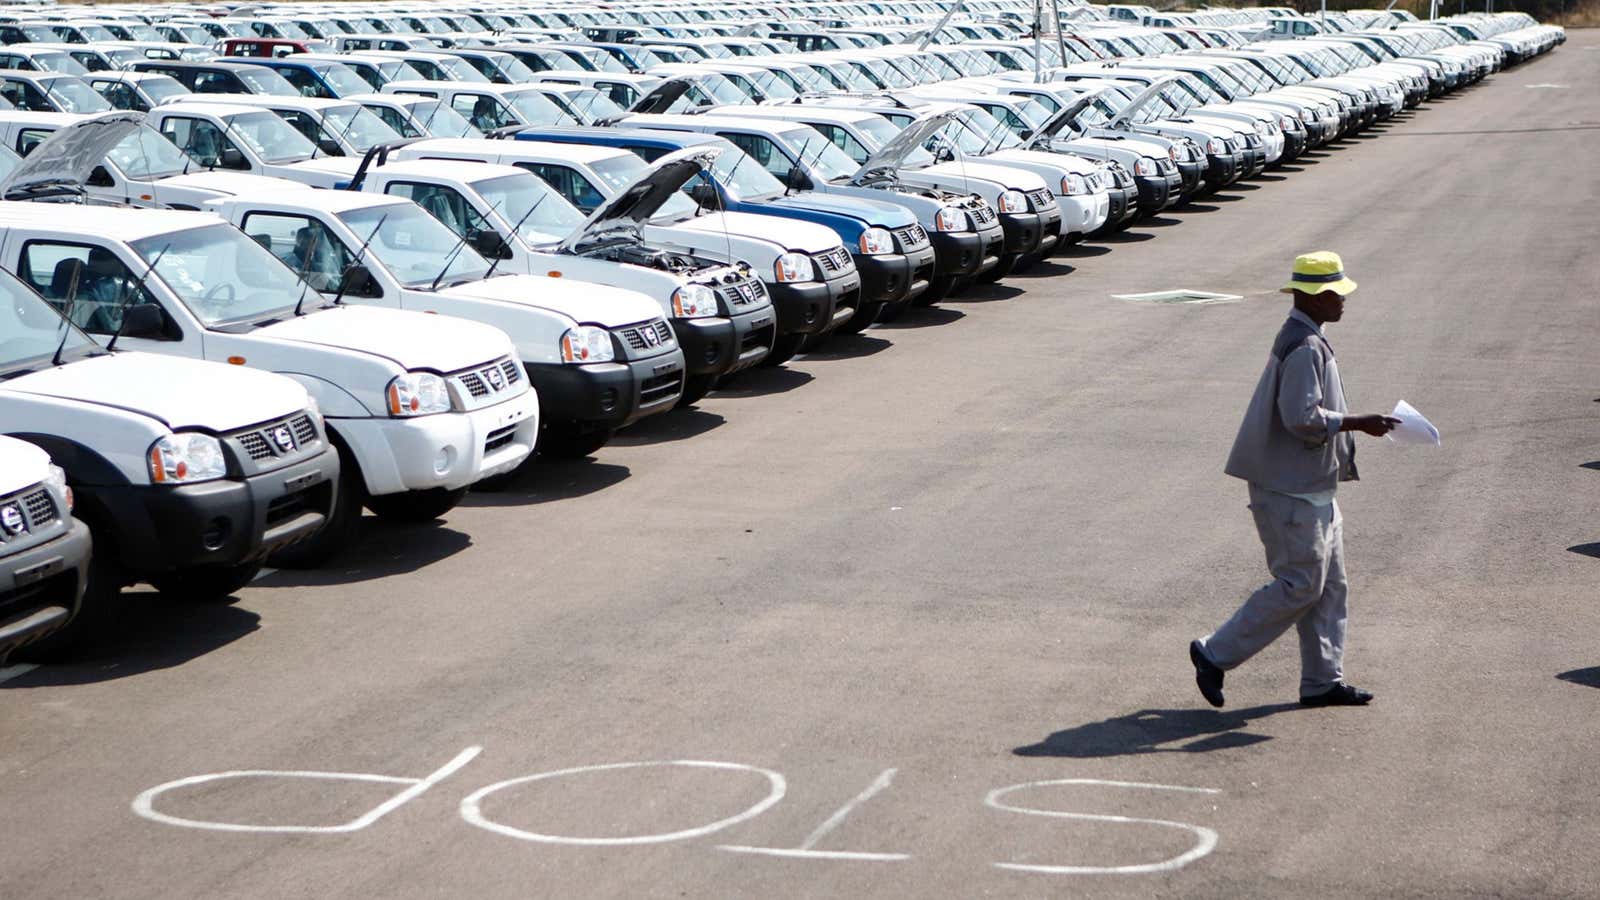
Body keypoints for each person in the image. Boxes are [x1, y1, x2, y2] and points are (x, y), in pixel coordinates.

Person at [1189, 252, 1400, 709]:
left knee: (1330, 585)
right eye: (1334, 295)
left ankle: (1323, 680)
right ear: (1313, 296)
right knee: (1301, 584)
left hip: (1309, 487)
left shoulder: (1308, 337)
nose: (1343, 302)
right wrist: (1356, 421)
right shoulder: (1304, 346)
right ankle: (1214, 653)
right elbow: (1300, 417)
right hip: (1290, 492)